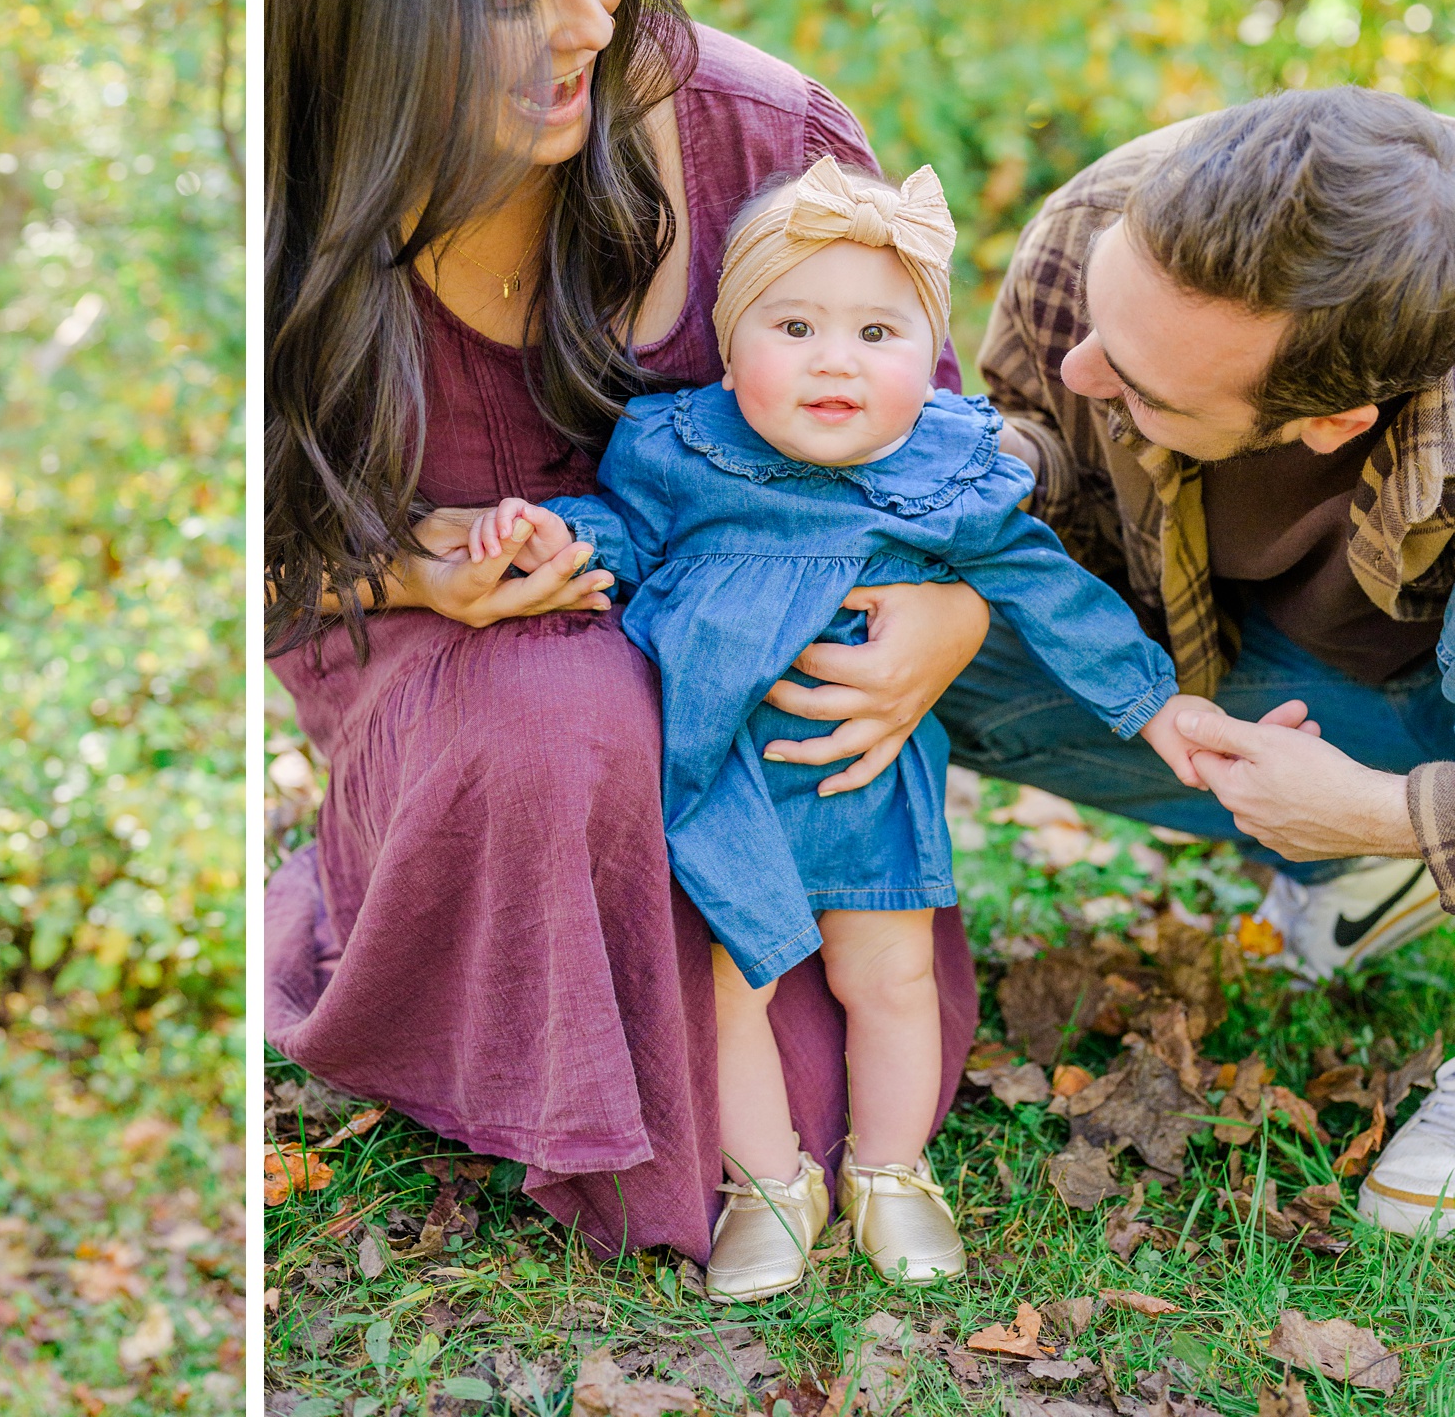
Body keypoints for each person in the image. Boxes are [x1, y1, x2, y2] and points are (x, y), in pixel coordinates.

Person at [263, 0, 993, 1260]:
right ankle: (474, 987)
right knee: (572, 711)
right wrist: (416, 564)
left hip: (773, 702)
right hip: (476, 700)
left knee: (815, 1074)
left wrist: (956, 620)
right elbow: (250, 565)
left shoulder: (759, 143)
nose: (589, 19)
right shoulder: (270, 218)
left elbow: (944, 452)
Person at [480, 158, 1217, 1297]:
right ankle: (770, 1181)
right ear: (732, 347)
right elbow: (623, 538)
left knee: (894, 979)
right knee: (730, 986)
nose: (836, 358)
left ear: (926, 360)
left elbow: (1050, 587)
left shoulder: (944, 470)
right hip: (719, 779)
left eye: (879, 332)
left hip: (866, 779)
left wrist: (1153, 702)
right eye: (795, 324)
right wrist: (555, 544)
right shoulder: (684, 450)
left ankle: (891, 1167)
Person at [949, 85, 1455, 1235]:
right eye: (1100, 321)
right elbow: (1050, 493)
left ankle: (1389, 843)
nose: (1083, 370)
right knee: (886, 615)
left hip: (1422, 705)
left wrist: (1383, 811)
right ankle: (1373, 879)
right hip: (1241, 667)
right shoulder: (1101, 227)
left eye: (1142, 381)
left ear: (1335, 422)